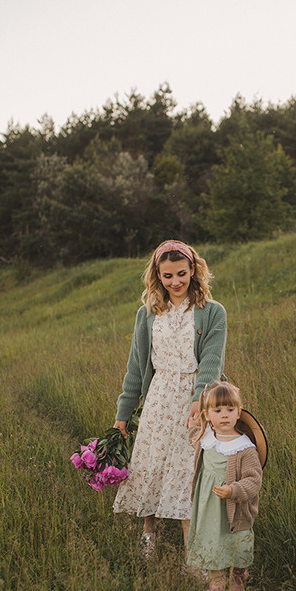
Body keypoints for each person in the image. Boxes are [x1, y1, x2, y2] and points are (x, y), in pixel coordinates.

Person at [112, 239, 227, 559]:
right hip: (158, 398)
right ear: (157, 276)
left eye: (181, 273)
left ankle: (195, 556)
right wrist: (122, 415)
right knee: (150, 465)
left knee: (186, 475)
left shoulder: (212, 312)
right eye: (167, 276)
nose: (175, 281)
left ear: (194, 271)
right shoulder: (147, 313)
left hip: (196, 400)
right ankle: (148, 536)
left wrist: (199, 400)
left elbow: (212, 362)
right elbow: (136, 368)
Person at [187, 381, 266, 591]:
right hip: (208, 510)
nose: (224, 415)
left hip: (235, 512)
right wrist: (193, 425)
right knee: (214, 551)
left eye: (230, 410)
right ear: (207, 415)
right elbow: (193, 435)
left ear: (239, 413)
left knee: (237, 549)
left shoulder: (244, 448)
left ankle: (238, 577)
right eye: (218, 410)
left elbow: (254, 481)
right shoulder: (206, 437)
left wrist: (233, 489)